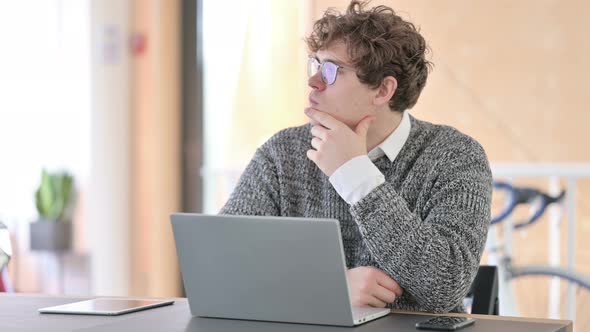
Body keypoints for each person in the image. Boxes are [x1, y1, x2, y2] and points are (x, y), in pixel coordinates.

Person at [221, 0, 492, 314]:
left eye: (332, 70)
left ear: (382, 91)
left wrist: (354, 173)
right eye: (315, 64)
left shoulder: (455, 156)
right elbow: (223, 267)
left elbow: (445, 287)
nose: (313, 81)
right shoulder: (282, 154)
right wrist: (328, 288)